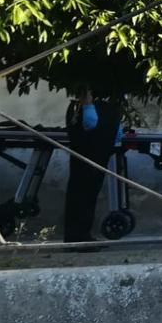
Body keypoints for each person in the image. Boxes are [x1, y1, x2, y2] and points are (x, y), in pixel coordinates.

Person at [62, 91, 123, 247]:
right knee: (81, 189)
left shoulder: (108, 102)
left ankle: (82, 234)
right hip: (89, 146)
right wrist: (88, 105)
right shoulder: (85, 103)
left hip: (100, 145)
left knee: (89, 190)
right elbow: (88, 124)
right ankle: (77, 236)